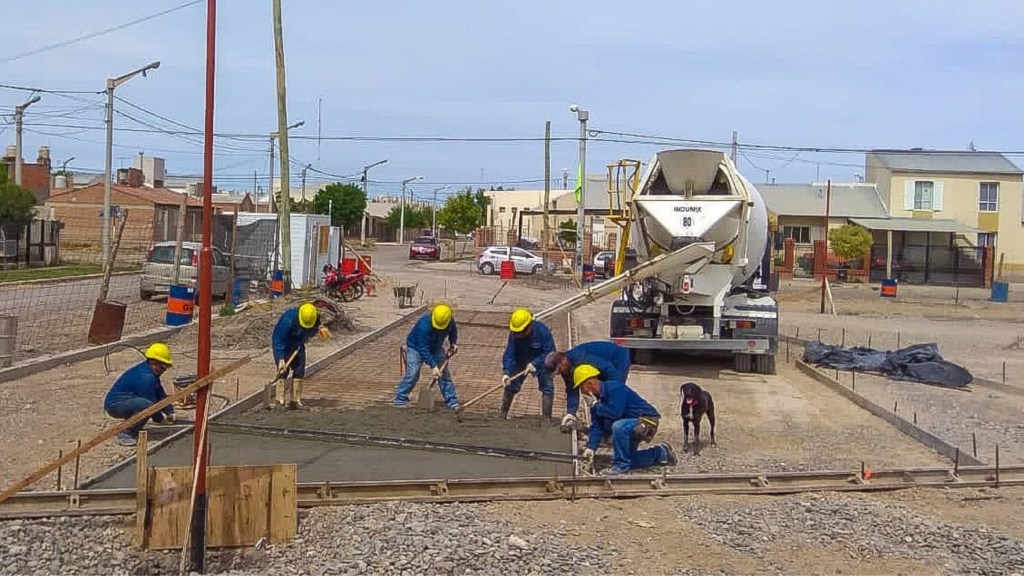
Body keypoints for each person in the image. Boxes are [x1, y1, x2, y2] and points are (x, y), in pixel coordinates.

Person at [574, 364, 676, 475]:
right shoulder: (598, 401)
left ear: (590, 384)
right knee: (629, 459)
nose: (581, 392)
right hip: (630, 424)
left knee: (618, 427)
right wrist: (591, 447)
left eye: (581, 387)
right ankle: (661, 453)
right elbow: (597, 426)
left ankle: (620, 467)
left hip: (646, 421)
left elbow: (615, 413)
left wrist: (595, 405)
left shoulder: (615, 388)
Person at [545, 341, 632, 432]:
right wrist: (571, 413)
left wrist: (613, 389)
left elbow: (608, 369)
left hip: (616, 357)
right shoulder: (565, 369)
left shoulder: (580, 358)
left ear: (563, 360)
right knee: (600, 397)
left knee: (613, 395)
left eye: (559, 370)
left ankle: (621, 427)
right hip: (604, 363)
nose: (559, 373)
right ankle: (604, 428)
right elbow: (571, 390)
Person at [104, 343, 176, 447]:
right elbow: (153, 406)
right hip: (115, 406)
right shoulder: (145, 378)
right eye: (163, 367)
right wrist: (160, 419)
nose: (164, 370)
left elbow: (159, 393)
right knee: (146, 406)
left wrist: (169, 411)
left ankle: (132, 423)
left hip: (127, 402)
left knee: (144, 404)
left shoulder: (149, 372)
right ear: (154, 363)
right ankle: (126, 433)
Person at [393, 304, 460, 410]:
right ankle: (400, 398)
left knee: (444, 374)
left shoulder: (449, 320)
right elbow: (423, 348)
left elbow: (453, 332)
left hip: (436, 347)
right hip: (416, 348)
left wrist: (453, 343)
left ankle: (452, 400)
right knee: (413, 373)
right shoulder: (424, 325)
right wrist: (433, 366)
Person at [500, 308, 556, 419]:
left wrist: (535, 363)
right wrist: (506, 372)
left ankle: (546, 419)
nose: (517, 335)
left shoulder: (542, 331)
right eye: (516, 333)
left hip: (542, 361)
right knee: (510, 384)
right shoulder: (514, 334)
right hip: (521, 359)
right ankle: (502, 414)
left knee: (547, 387)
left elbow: (550, 352)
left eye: (520, 332)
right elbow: (509, 354)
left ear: (528, 327)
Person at [272, 302, 331, 408]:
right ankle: (279, 400)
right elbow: (279, 341)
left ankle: (295, 400)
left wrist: (321, 330)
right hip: (284, 346)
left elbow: (314, 327)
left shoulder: (313, 317)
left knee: (299, 369)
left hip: (298, 345)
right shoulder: (288, 320)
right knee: (283, 371)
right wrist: (280, 358)